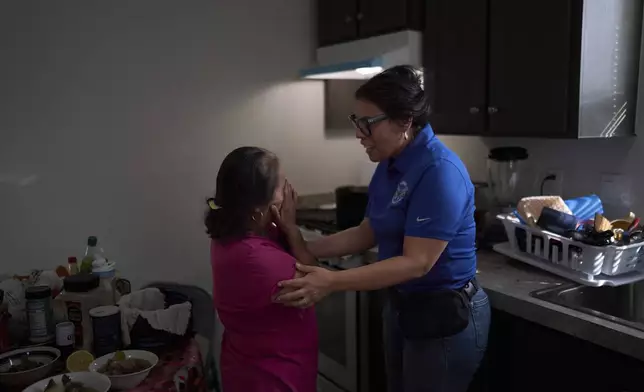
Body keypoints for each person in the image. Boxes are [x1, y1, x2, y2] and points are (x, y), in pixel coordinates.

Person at [273, 65, 491, 392]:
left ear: (404, 121)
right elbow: (368, 231)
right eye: (356, 122)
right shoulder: (389, 163)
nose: (359, 133)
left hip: (445, 316)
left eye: (367, 124)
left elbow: (416, 262)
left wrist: (332, 281)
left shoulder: (439, 172)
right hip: (403, 306)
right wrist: (300, 244)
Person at [206, 146, 319, 392]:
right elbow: (316, 279)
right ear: (258, 210)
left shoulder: (230, 234)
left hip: (246, 367)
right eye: (281, 186)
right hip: (273, 378)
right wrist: (292, 228)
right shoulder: (257, 260)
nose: (288, 191)